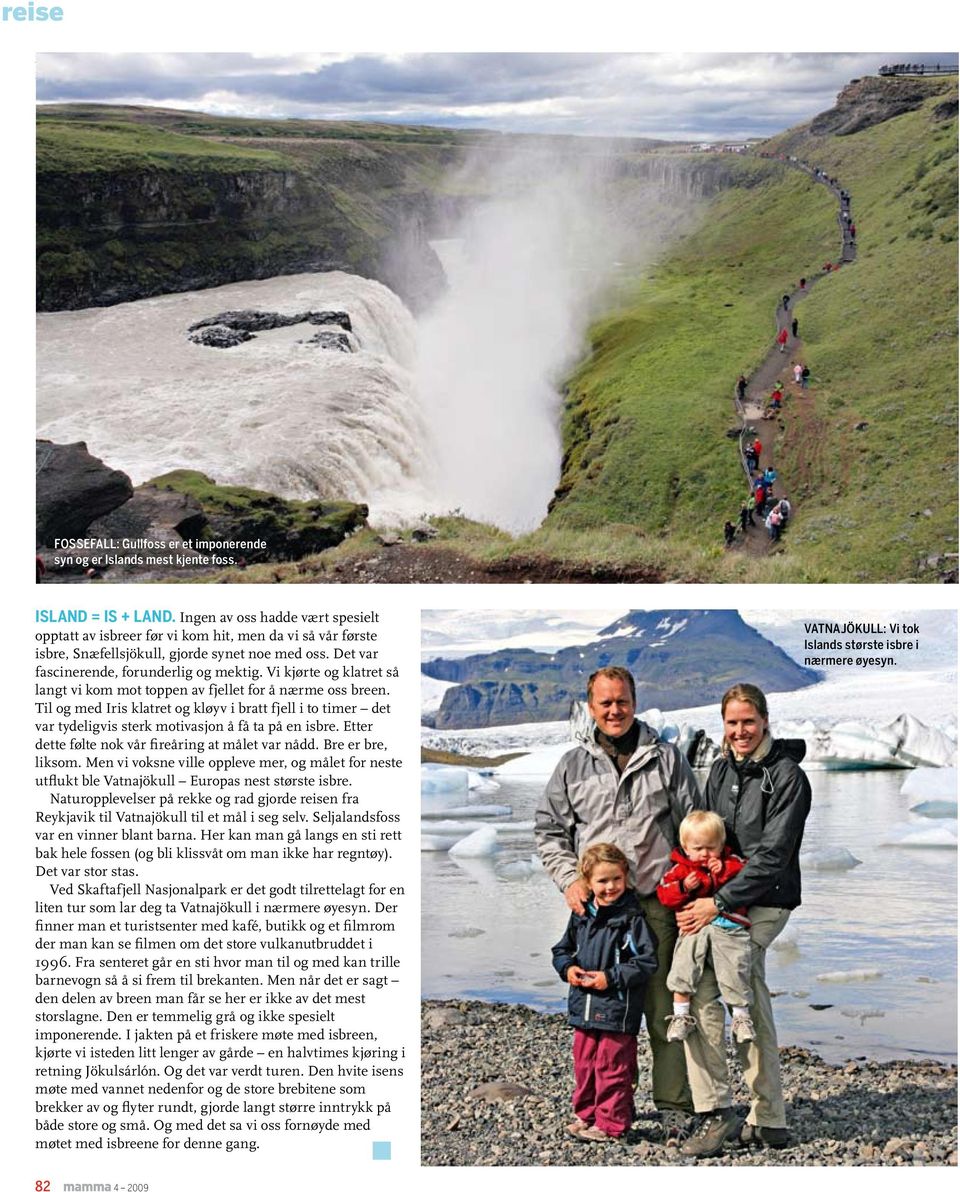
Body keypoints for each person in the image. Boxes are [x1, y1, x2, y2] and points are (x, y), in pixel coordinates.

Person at [536, 667, 701, 1142]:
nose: (614, 710)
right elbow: (549, 830)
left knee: (664, 1006)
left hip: (656, 905)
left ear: (635, 702)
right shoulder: (572, 764)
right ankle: (610, 1108)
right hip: (597, 913)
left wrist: (695, 887)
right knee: (603, 1012)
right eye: (605, 703)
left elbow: (693, 826)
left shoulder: (666, 758)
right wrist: (570, 880)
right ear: (591, 707)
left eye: (622, 701)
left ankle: (672, 1104)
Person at [675, 684, 812, 1159]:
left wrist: (720, 901)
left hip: (766, 902)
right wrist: (694, 887)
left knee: (712, 986)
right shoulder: (719, 771)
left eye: (748, 722)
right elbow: (712, 840)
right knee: (746, 995)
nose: (740, 731)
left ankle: (716, 1112)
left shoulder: (788, 777)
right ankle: (768, 1119)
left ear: (766, 720)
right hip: (725, 901)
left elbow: (774, 855)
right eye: (731, 723)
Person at [552, 842, 659, 1142]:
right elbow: (562, 949)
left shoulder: (631, 919)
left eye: (616, 879)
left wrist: (609, 978)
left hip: (617, 1008)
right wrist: (567, 968)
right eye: (602, 880)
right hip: (582, 1006)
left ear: (626, 877)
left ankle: (612, 1124)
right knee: (585, 1064)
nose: (610, 886)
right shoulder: (581, 915)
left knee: (612, 1067)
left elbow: (646, 962)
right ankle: (587, 1116)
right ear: (587, 882)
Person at [656, 811, 755, 1045]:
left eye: (711, 847)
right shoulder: (679, 869)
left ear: (722, 845)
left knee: (735, 967)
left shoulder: (731, 861)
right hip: (694, 927)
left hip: (728, 924)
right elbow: (664, 895)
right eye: (698, 848)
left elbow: (746, 872)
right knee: (683, 964)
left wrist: (724, 871)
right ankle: (680, 1014)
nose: (704, 854)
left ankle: (741, 1018)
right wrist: (682, 887)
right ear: (685, 847)